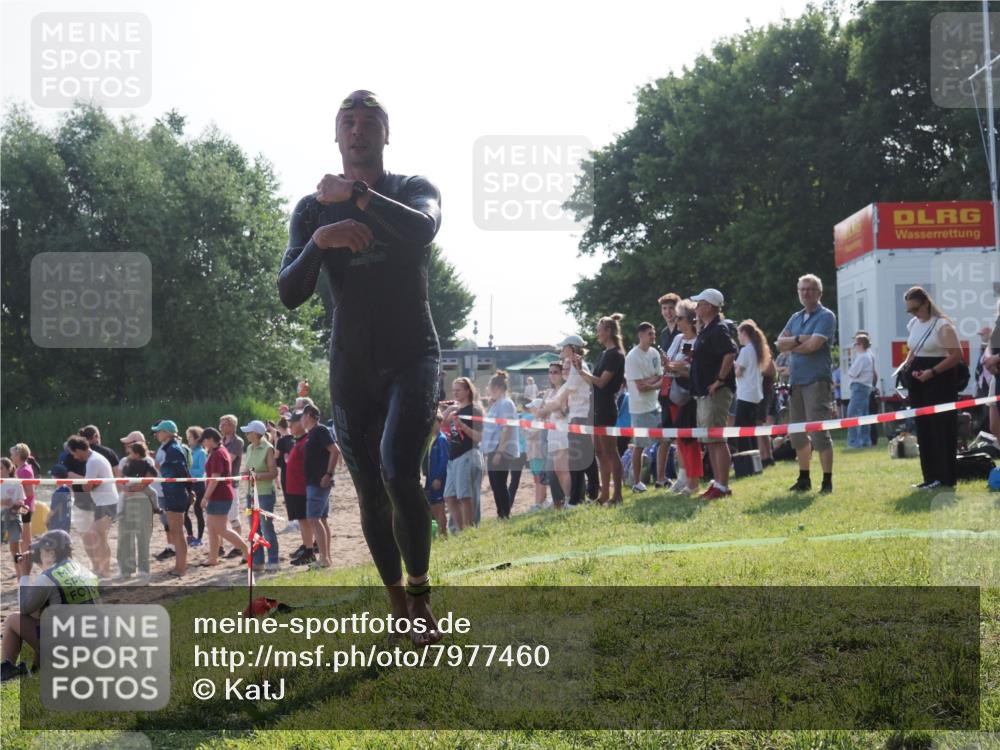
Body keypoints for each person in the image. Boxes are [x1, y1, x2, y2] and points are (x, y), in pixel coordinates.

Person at [279, 89, 444, 644]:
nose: (357, 131)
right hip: (352, 365)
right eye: (347, 122)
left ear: (385, 132)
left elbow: (424, 229)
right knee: (372, 489)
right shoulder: (312, 210)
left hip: (412, 355)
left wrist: (358, 196)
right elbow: (289, 292)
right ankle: (398, 605)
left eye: (368, 122)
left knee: (400, 469)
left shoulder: (410, 190)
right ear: (336, 134)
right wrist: (321, 240)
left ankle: (421, 596)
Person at [0, 530, 99, 681]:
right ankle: (37, 667)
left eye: (40, 551)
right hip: (95, 646)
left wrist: (24, 573)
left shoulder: (49, 577)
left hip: (70, 652)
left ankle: (7, 670)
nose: (38, 555)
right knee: (44, 615)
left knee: (15, 619)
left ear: (51, 552)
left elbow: (24, 607)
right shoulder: (84, 571)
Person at [776, 274, 837, 494]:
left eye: (810, 289)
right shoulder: (795, 317)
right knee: (797, 433)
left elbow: (814, 346)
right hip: (796, 382)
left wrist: (794, 343)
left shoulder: (826, 316)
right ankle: (804, 478)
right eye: (802, 289)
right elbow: (779, 344)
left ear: (819, 293)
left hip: (816, 381)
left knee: (819, 432)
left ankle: (827, 481)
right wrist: (801, 339)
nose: (805, 293)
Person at [902, 286, 963, 489]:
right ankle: (929, 477)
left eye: (916, 309)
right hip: (918, 382)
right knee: (924, 429)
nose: (914, 313)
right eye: (909, 310)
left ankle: (944, 478)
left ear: (926, 303)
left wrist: (932, 372)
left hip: (940, 382)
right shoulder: (914, 323)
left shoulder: (942, 325)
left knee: (940, 429)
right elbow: (913, 348)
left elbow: (956, 355)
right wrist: (908, 364)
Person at [690, 289, 737, 500]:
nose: (696, 307)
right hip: (703, 392)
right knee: (710, 439)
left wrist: (719, 380)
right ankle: (717, 483)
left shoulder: (719, 328)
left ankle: (722, 486)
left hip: (716, 391)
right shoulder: (707, 329)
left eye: (699, 303)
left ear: (709, 306)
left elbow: (730, 352)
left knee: (717, 438)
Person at [576, 314, 626, 504]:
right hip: (597, 407)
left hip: (606, 408)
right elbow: (594, 382)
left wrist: (583, 371)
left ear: (608, 331)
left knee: (611, 451)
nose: (597, 333)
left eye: (599, 329)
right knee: (600, 452)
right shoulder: (604, 354)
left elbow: (602, 383)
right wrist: (581, 370)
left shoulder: (616, 355)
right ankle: (605, 494)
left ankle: (617, 495)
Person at [664, 300, 704, 494]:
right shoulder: (680, 340)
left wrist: (675, 366)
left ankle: (694, 481)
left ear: (690, 320)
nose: (676, 321)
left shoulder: (698, 340)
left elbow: (688, 367)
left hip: (689, 395)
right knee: (680, 439)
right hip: (674, 394)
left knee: (690, 439)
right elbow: (673, 363)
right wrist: (674, 366)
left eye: (679, 317)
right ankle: (683, 476)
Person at [66, 435, 119, 579]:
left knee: (98, 536)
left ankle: (104, 572)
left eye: (74, 453)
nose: (74, 457)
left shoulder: (92, 462)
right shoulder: (96, 458)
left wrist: (81, 482)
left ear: (78, 449)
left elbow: (86, 487)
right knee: (100, 537)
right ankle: (103, 570)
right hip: (106, 502)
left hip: (107, 503)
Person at [198, 428, 248, 566]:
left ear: (209, 440)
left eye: (203, 440)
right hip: (218, 495)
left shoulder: (218, 454)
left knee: (221, 529)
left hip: (220, 495)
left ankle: (246, 549)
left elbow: (215, 478)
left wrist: (205, 497)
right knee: (212, 527)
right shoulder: (217, 451)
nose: (202, 443)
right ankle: (213, 558)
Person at [624, 322, 664, 493]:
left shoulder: (654, 352)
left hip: (655, 405)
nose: (653, 336)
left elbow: (661, 377)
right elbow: (641, 386)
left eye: (653, 333)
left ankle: (661, 478)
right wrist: (654, 381)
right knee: (639, 445)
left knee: (665, 440)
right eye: (650, 333)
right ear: (641, 335)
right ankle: (637, 482)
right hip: (640, 408)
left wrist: (651, 382)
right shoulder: (632, 357)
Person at [442, 377, 484, 529]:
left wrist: (463, 427)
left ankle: (469, 529)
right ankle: (460, 529)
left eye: (458, 390)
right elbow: (443, 425)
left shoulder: (474, 410)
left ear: (468, 391)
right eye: (453, 390)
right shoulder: (457, 410)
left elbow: (479, 437)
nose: (455, 393)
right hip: (453, 457)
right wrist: (448, 410)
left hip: (467, 454)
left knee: (465, 496)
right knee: (449, 496)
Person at [150, 420, 191, 577]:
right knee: (175, 532)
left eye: (158, 431)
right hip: (173, 492)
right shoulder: (168, 447)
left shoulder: (173, 448)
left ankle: (181, 568)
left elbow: (177, 472)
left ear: (166, 432)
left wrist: (155, 464)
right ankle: (179, 566)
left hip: (175, 493)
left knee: (178, 533)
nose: (156, 434)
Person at [301, 405, 339, 569]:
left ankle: (323, 558)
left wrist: (328, 474)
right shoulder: (312, 433)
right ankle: (326, 557)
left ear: (309, 415)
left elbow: (335, 450)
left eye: (302, 416)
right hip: (315, 481)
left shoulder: (320, 430)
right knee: (321, 519)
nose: (301, 420)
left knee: (314, 519)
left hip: (319, 482)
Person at [242, 419, 280, 572]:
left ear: (256, 434)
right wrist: (245, 474)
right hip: (250, 494)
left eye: (249, 432)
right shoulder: (250, 448)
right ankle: (258, 562)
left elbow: (273, 473)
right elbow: (248, 469)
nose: (246, 434)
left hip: (264, 494)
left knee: (266, 528)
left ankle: (273, 561)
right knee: (254, 528)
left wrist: (256, 476)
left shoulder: (268, 448)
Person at [116, 444, 158, 582]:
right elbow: (119, 479)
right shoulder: (125, 462)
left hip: (142, 500)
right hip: (128, 500)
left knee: (143, 536)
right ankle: (126, 569)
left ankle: (144, 569)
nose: (128, 449)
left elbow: (150, 477)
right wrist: (127, 490)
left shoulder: (147, 461)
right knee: (125, 536)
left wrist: (138, 487)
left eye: (131, 447)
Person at [482, 371, 520, 519]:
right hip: (493, 448)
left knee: (499, 483)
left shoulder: (505, 403)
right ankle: (502, 513)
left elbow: (507, 428)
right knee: (495, 484)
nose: (487, 390)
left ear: (497, 387)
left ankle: (504, 514)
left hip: (500, 449)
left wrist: (499, 451)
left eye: (489, 387)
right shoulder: (497, 403)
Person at [285, 412, 317, 566]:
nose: (289, 426)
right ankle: (306, 547)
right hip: (294, 488)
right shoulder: (298, 441)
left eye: (292, 423)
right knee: (302, 520)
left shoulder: (305, 442)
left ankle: (309, 551)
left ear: (300, 423)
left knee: (305, 521)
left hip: (301, 489)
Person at [734, 320, 771, 454]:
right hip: (756, 395)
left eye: (739, 334)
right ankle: (755, 457)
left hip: (745, 395)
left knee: (741, 430)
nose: (738, 337)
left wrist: (732, 368)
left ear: (744, 333)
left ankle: (745, 457)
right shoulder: (757, 350)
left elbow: (739, 372)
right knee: (751, 430)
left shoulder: (745, 350)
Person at [537, 362, 570, 509]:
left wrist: (549, 409)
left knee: (562, 469)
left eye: (555, 372)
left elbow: (564, 412)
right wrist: (548, 410)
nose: (552, 375)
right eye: (550, 372)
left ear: (562, 373)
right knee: (553, 471)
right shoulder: (549, 393)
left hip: (563, 432)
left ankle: (568, 499)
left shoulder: (565, 390)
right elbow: (540, 413)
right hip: (552, 433)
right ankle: (559, 500)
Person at [657, 293, 682, 487]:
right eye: (664, 309)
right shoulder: (664, 333)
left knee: (683, 433)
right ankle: (660, 478)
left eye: (671, 308)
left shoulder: (683, 330)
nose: (668, 312)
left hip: (681, 386)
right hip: (666, 386)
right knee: (665, 434)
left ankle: (685, 475)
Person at [9, 444, 39, 573]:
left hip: (24, 507)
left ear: (18, 455)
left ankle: (26, 564)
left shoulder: (24, 470)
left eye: (12, 455)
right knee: (23, 537)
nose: (11, 457)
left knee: (25, 538)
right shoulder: (21, 468)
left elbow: (30, 492)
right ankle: (24, 563)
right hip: (24, 505)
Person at [218, 415, 245, 558]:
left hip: (230, 483)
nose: (221, 426)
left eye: (224, 424)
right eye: (220, 424)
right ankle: (219, 546)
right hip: (219, 483)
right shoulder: (220, 442)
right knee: (217, 516)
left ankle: (238, 547)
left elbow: (228, 459)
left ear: (232, 426)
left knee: (233, 516)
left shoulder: (237, 442)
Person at [846, 333, 876, 449]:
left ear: (861, 344)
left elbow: (852, 372)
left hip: (859, 386)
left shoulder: (862, 357)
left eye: (856, 343)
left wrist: (851, 373)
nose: (854, 346)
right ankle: (865, 441)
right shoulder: (869, 355)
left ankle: (853, 442)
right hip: (866, 387)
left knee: (852, 414)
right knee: (864, 415)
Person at [2, 458, 28, 577]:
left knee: (15, 548)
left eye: (1, 468)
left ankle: (19, 574)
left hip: (13, 515)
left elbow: (22, 499)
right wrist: (2, 502)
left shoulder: (16, 482)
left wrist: (17, 503)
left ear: (9, 469)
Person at [424, 414, 449, 537]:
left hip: (437, 479)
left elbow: (444, 460)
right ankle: (438, 533)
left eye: (434, 422)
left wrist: (439, 478)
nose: (432, 425)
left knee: (439, 507)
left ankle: (443, 534)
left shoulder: (441, 439)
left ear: (440, 422)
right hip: (429, 479)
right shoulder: (430, 440)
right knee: (432, 507)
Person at [186, 427, 207, 547]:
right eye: (187, 437)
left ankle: (199, 538)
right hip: (189, 483)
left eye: (190, 437)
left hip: (198, 484)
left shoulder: (201, 452)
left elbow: (201, 471)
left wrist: (187, 472)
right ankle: (190, 535)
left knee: (198, 511)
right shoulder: (188, 451)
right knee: (185, 510)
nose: (188, 440)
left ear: (197, 438)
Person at [47, 464, 72, 533]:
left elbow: (53, 510)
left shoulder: (58, 492)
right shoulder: (67, 489)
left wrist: (47, 519)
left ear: (55, 477)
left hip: (57, 523)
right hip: (66, 522)